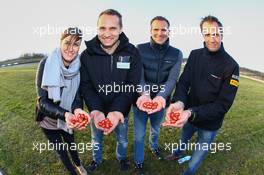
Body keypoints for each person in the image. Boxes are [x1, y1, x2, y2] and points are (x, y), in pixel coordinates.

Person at [164, 15, 240, 175]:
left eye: (216, 34)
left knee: (197, 155)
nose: (212, 39)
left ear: (222, 34)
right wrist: (179, 103)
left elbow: (223, 105)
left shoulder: (231, 66)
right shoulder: (195, 55)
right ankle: (178, 153)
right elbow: (184, 82)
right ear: (202, 35)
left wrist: (191, 112)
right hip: (188, 116)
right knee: (183, 139)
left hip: (210, 124)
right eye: (208, 34)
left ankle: (188, 172)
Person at [72, 9, 141, 172]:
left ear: (121, 29)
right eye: (102, 28)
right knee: (96, 139)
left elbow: (131, 84)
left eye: (112, 28)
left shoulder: (132, 52)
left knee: (122, 139)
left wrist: (117, 110)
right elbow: (86, 86)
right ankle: (97, 160)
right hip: (98, 110)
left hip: (121, 110)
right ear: (97, 29)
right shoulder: (86, 55)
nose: (107, 34)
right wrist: (95, 110)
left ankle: (121, 158)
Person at [133, 16, 183, 174]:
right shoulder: (139, 49)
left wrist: (161, 97)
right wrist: (145, 94)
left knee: (156, 129)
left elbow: (173, 78)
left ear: (169, 31)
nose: (160, 33)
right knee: (139, 135)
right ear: (150, 31)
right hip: (141, 101)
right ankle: (139, 161)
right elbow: (138, 75)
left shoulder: (177, 53)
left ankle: (153, 147)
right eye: (156, 29)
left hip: (162, 103)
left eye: (163, 29)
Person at [35, 27, 88, 175]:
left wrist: (77, 110)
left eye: (76, 44)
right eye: (67, 43)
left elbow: (77, 96)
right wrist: (65, 114)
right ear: (60, 42)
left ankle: (79, 165)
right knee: (61, 151)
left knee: (71, 145)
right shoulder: (46, 64)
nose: (71, 49)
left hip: (68, 119)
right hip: (48, 120)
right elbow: (42, 102)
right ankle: (72, 171)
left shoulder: (79, 66)